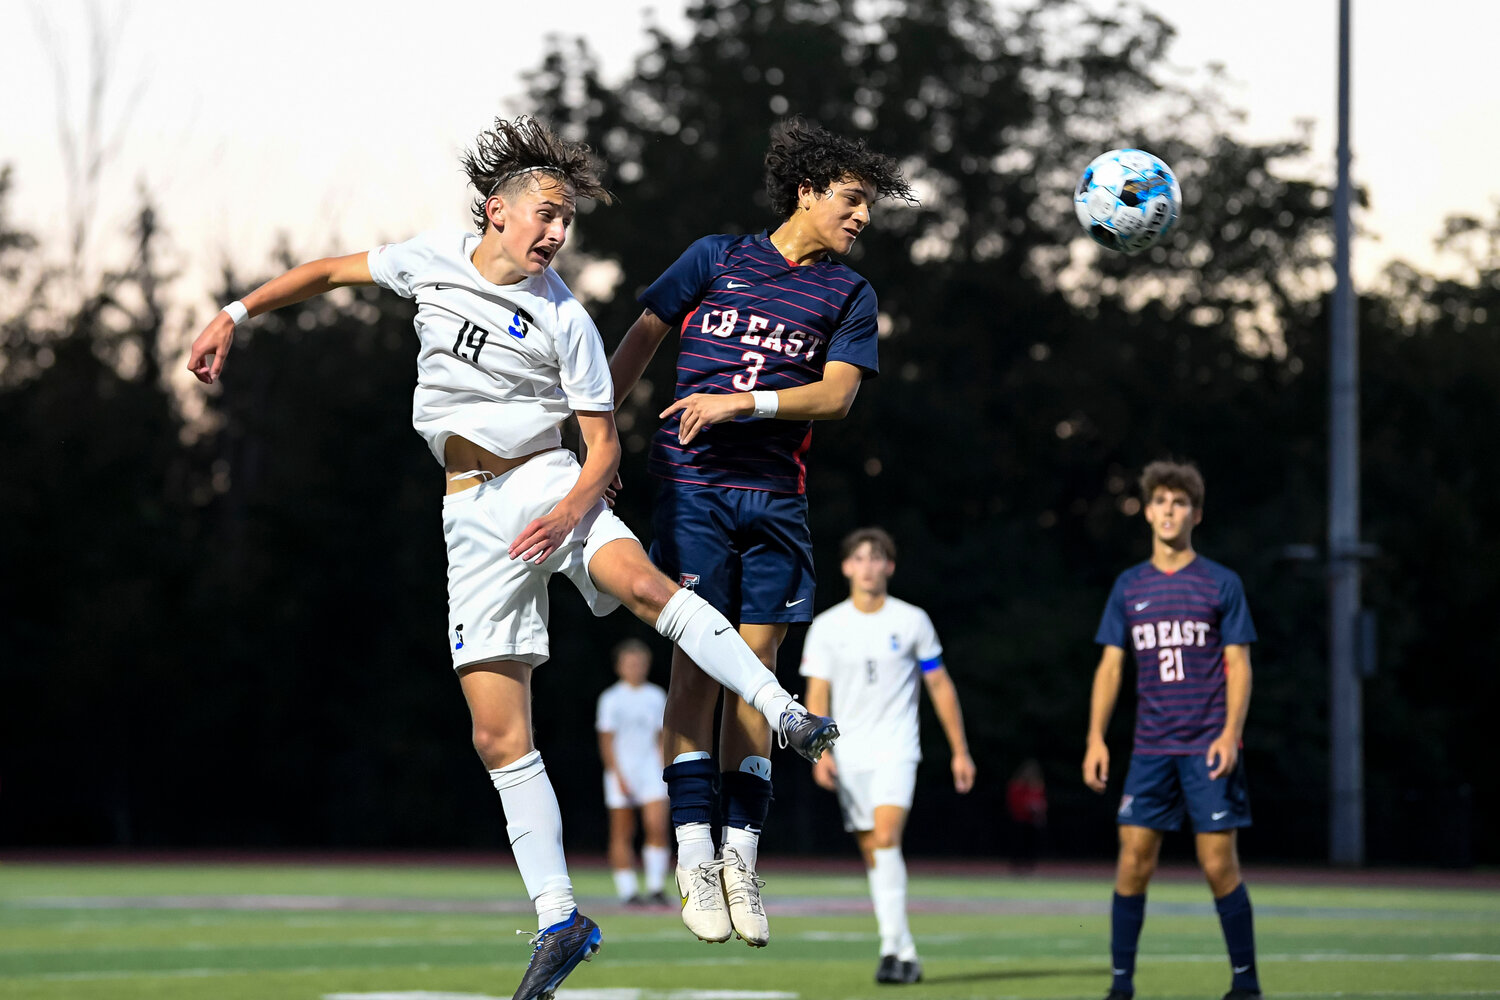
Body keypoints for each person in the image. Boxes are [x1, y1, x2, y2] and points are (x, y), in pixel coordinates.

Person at [184, 116, 838, 1000]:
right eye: (546, 215)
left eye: (567, 222)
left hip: (547, 485)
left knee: (646, 587)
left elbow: (605, 448)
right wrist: (235, 312)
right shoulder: (430, 259)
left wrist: (569, 507)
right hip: (469, 514)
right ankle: (562, 918)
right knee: (497, 733)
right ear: (497, 211)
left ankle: (782, 711)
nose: (557, 233)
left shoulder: (564, 316)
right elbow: (328, 273)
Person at [609, 116, 914, 949]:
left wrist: (744, 402)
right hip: (695, 486)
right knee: (699, 667)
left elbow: (839, 396)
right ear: (808, 191)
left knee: (759, 673)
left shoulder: (850, 294)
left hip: (777, 495)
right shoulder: (716, 258)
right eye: (852, 201)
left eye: (870, 207)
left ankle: (742, 855)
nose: (862, 219)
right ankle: (694, 855)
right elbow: (640, 340)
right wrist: (597, 436)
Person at [1082, 460, 1261, 1000]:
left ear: (1195, 514)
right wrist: (1095, 737)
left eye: (1179, 502)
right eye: (1161, 500)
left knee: (1217, 864)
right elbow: (1111, 667)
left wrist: (1230, 734)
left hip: (1208, 747)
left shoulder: (1221, 582)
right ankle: (1120, 986)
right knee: (1133, 862)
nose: (1169, 509)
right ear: (1147, 511)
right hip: (1150, 750)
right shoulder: (1129, 586)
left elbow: (1240, 664)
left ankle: (1245, 985)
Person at [800, 527, 975, 985]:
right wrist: (820, 753)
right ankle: (903, 950)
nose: (868, 565)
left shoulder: (912, 620)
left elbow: (938, 683)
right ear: (846, 568)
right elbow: (817, 694)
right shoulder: (827, 627)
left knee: (885, 836)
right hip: (848, 752)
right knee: (874, 851)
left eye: (877, 557)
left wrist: (960, 750)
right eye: (859, 558)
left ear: (889, 566)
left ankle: (890, 953)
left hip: (898, 748)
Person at [595, 638, 671, 906]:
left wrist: (665, 769)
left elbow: (662, 737)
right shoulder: (611, 699)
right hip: (621, 771)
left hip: (651, 769)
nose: (635, 667)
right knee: (622, 831)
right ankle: (627, 891)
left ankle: (656, 887)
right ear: (619, 667)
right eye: (630, 663)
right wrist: (618, 775)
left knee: (657, 826)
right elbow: (606, 740)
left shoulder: (656, 695)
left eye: (640, 663)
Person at [1006, 758, 1048, 872]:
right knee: (1018, 843)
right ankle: (1016, 866)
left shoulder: (1037, 785)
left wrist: (1039, 810)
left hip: (1032, 820)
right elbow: (1013, 801)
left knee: (1031, 844)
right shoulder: (1017, 785)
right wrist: (1026, 807)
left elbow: (1042, 801)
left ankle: (1030, 866)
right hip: (1019, 818)